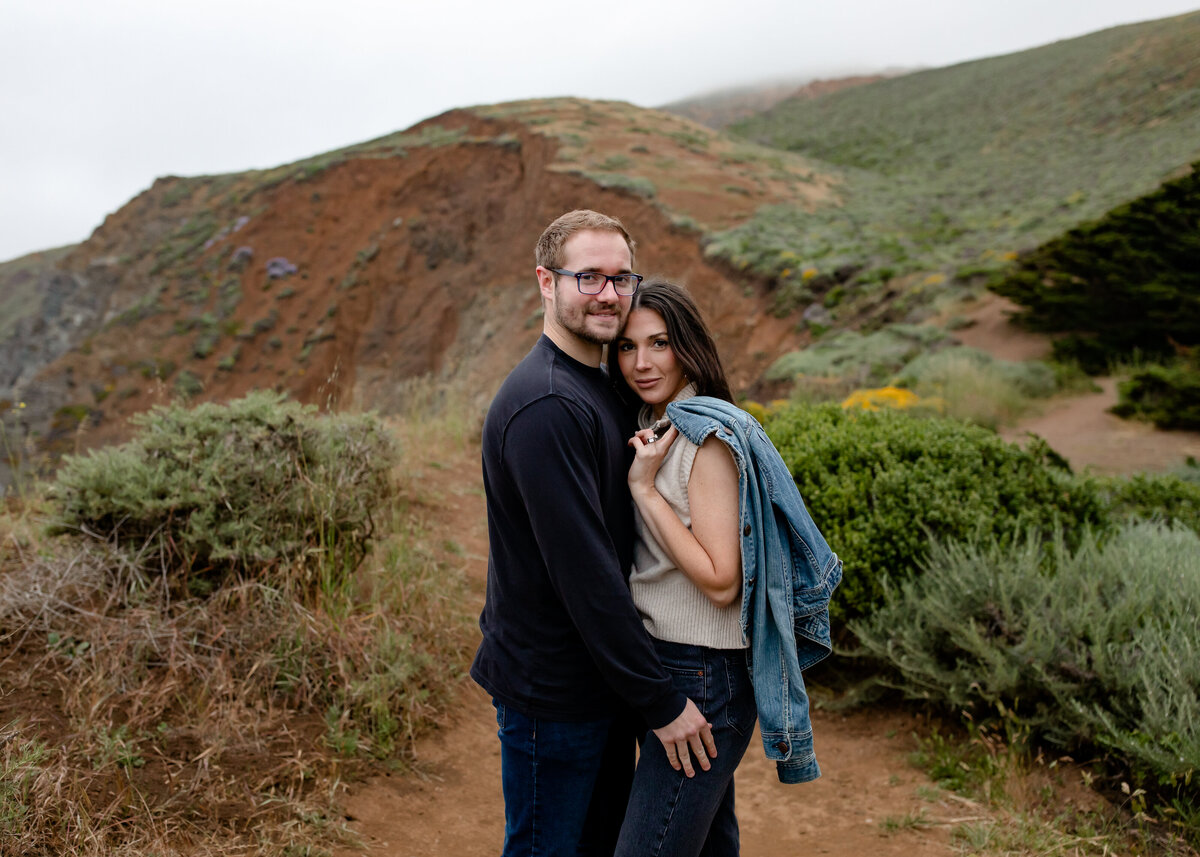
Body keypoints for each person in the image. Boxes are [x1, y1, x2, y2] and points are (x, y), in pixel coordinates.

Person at [470, 211, 716, 857]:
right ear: (546, 283)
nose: (609, 293)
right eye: (589, 277)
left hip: (601, 683)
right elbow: (584, 573)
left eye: (620, 277)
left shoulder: (603, 385)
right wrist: (661, 699)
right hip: (556, 694)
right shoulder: (548, 404)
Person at [607, 280, 842, 857]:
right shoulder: (654, 421)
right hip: (670, 662)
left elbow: (720, 580)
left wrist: (644, 490)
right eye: (627, 347)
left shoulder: (705, 438)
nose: (642, 362)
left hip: (703, 675)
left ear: (688, 346)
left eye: (659, 343)